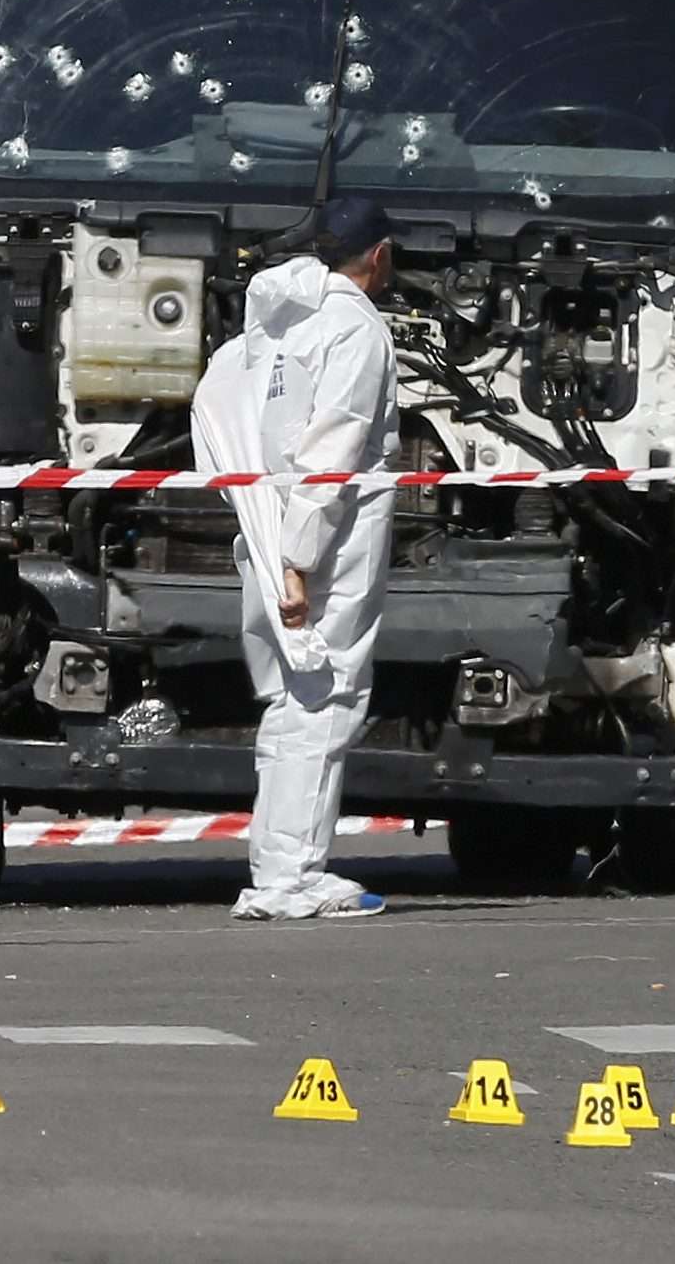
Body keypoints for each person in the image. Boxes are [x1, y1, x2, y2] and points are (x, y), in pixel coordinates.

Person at [191, 198, 400, 921]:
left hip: (264, 524)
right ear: (378, 256)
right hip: (325, 546)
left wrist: (273, 541)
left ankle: (278, 866)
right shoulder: (355, 330)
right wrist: (299, 563)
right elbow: (334, 451)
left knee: (288, 700)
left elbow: (221, 412)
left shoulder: (272, 325)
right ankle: (294, 877)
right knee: (327, 695)